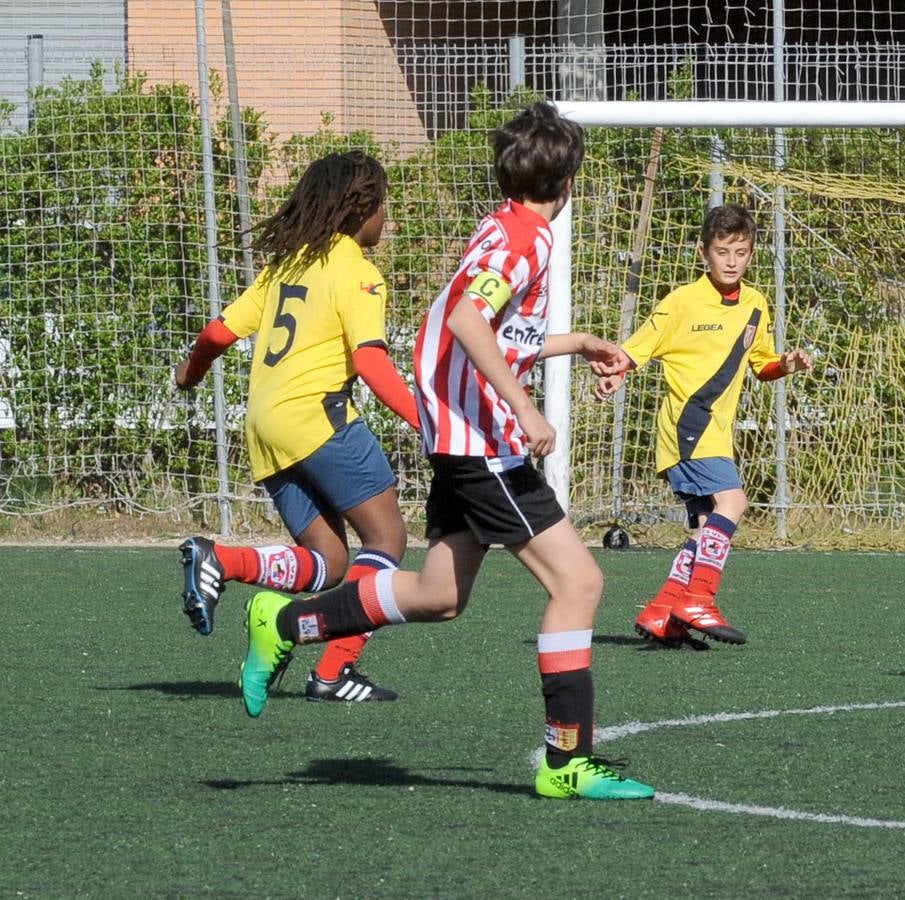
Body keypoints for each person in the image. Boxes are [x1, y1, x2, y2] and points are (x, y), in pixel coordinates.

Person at [236, 102, 654, 800]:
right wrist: (524, 406)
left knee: (438, 595)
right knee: (578, 585)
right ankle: (567, 762)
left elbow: (474, 323)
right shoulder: (524, 243)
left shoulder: (502, 225)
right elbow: (465, 319)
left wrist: (576, 343)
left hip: (460, 439)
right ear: (569, 180)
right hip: (482, 444)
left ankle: (286, 620)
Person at [174, 151, 418, 703]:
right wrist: (427, 420)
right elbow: (372, 362)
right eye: (383, 206)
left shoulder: (288, 263)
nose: (388, 219)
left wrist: (189, 374)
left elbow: (216, 335)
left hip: (264, 424)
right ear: (361, 209)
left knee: (329, 562)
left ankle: (223, 560)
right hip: (320, 417)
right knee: (386, 539)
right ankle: (333, 673)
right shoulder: (357, 271)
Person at [595, 203, 811, 647]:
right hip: (687, 425)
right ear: (703, 253)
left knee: (704, 526)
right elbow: (638, 348)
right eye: (722, 251)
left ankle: (663, 611)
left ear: (751, 254)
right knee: (733, 501)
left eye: (741, 252)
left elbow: (760, 363)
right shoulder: (681, 301)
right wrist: (616, 373)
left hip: (716, 432)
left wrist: (785, 364)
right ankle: (699, 598)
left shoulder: (754, 303)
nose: (731, 262)